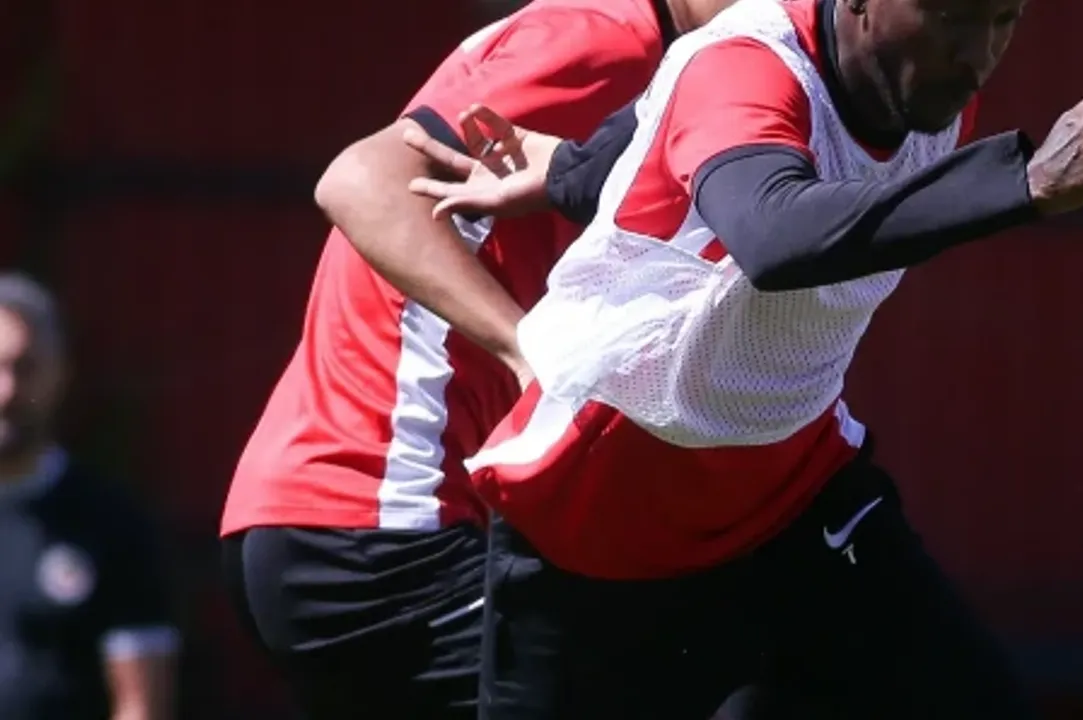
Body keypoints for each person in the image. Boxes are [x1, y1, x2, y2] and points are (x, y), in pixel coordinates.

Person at [403, 0, 1083, 717]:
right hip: (603, 513)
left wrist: (571, 172)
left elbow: (660, 130)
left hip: (791, 490)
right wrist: (1024, 180)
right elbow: (773, 234)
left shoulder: (931, 91)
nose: (977, 52)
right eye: (952, 15)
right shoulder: (748, 63)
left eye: (1003, 19)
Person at [217, 0, 742, 717]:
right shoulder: (607, 44)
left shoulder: (630, 46)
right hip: (383, 522)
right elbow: (363, 182)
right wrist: (533, 356)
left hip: (345, 523)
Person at [0, 273, 178, 720]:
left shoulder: (110, 522)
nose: (7, 390)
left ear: (59, 374)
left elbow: (140, 703)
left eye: (25, 366)